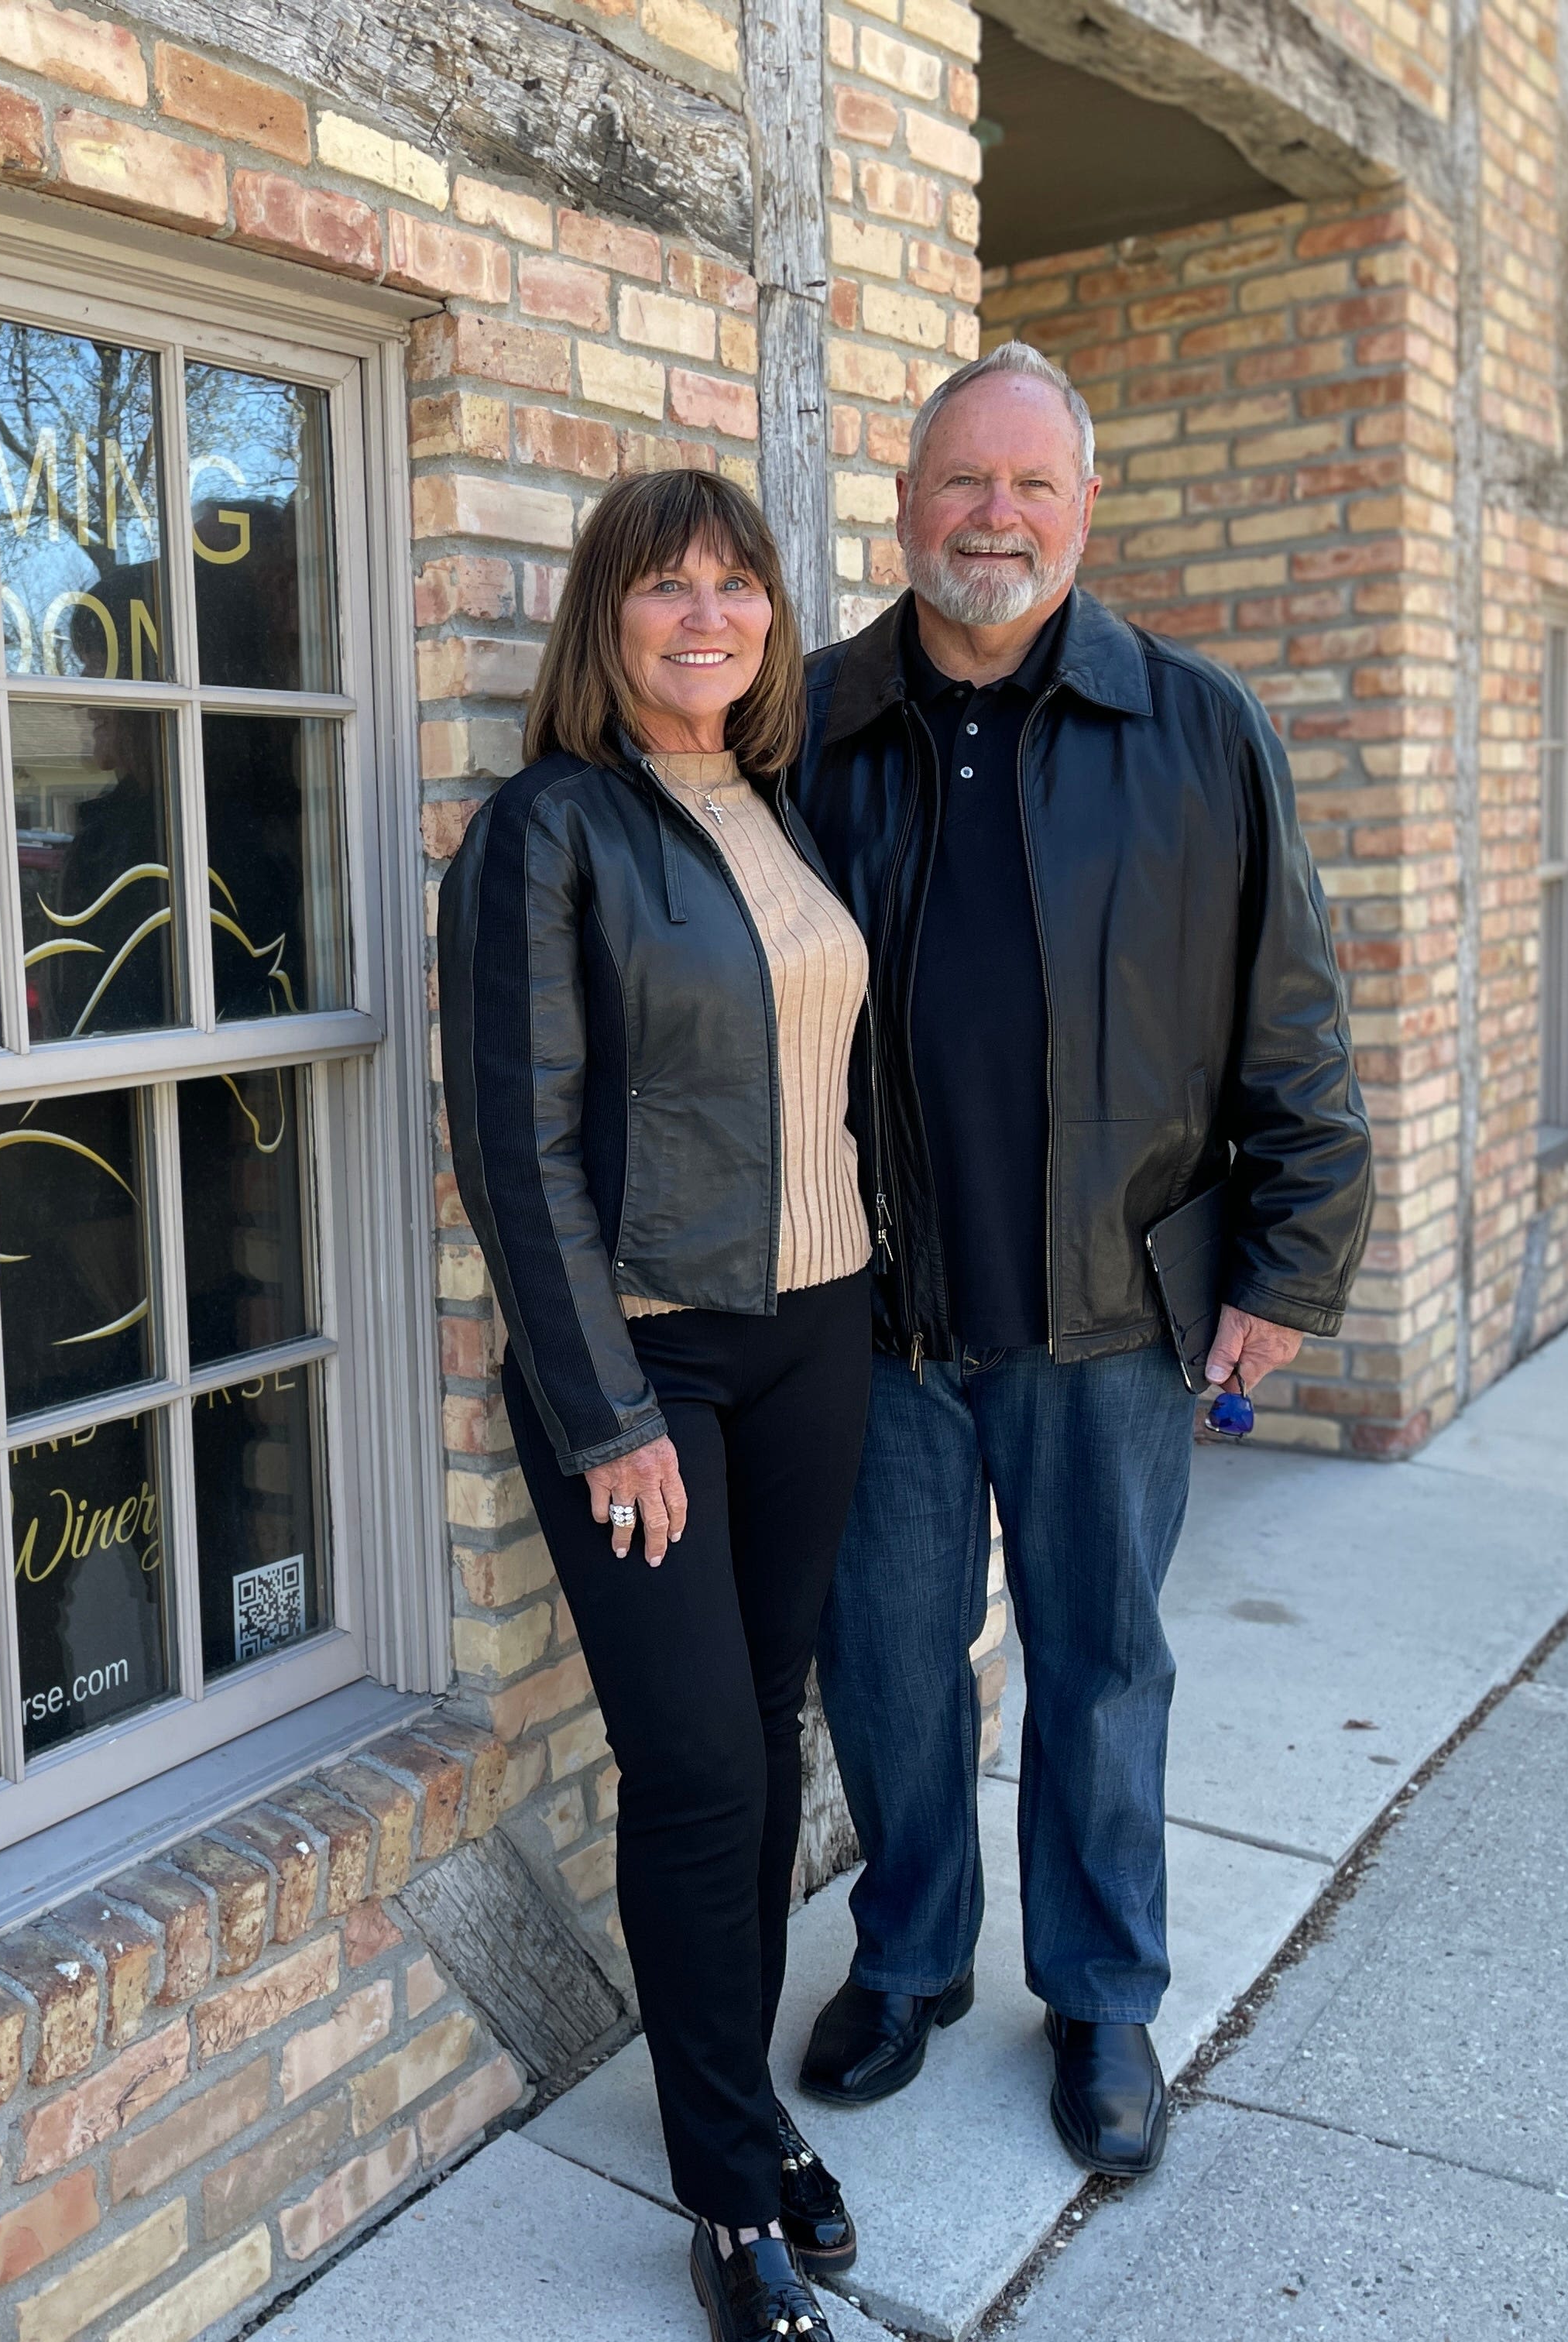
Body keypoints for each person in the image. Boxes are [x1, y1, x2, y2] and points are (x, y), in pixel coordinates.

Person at [788, 340, 1373, 2178]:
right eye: (966, 482)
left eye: (1035, 486)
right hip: (871, 1311)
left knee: (1100, 1660)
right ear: (904, 506)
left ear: (1084, 507)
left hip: (1111, 1306)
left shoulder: (1196, 729)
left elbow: (1294, 1023)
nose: (998, 518)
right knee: (886, 1663)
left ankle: (1105, 1992)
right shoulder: (808, 729)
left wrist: (1289, 1268)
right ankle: (910, 1960)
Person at [441, 469, 873, 2342]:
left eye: (738, 585)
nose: (709, 616)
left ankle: (745, 2103)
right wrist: (605, 1409)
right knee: (698, 1764)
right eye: (665, 589)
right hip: (648, 1362)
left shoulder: (779, 809)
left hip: (820, 1331)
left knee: (771, 1740)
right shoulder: (547, 831)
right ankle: (725, 2197)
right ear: (602, 622)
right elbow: (516, 1148)